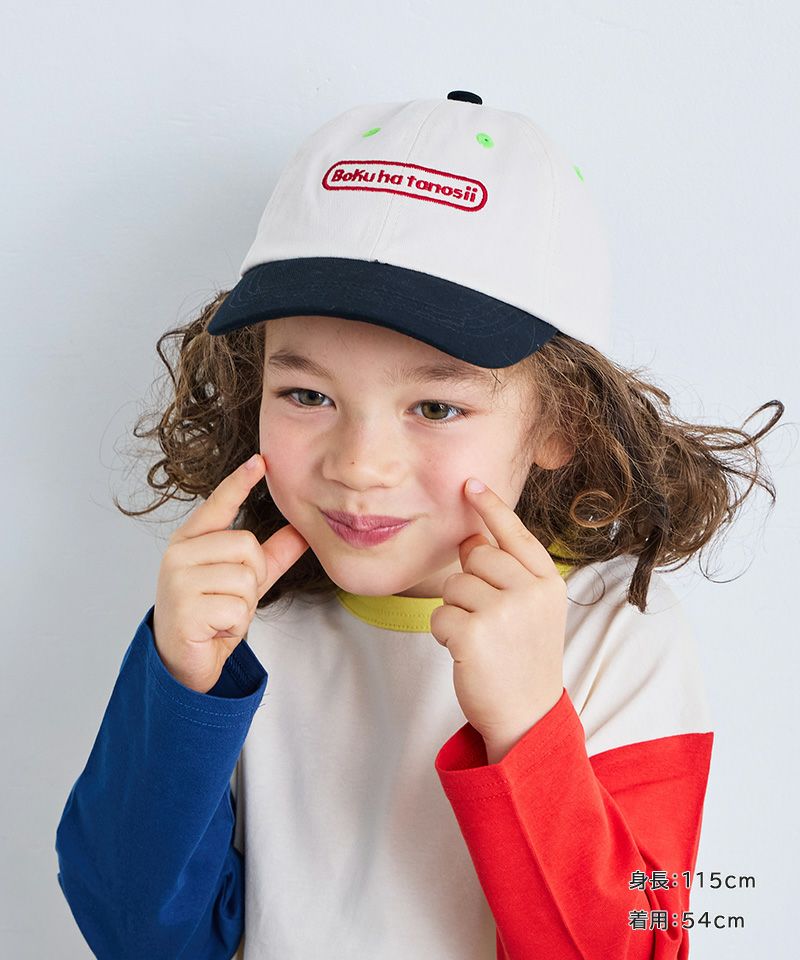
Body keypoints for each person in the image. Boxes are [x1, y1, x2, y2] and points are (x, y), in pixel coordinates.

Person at [55, 92, 782, 959]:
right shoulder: (239, 630)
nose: (360, 465)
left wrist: (527, 724)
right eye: (307, 394)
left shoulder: (616, 637)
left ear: (562, 423)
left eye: (435, 406)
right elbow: (136, 936)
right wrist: (179, 691)